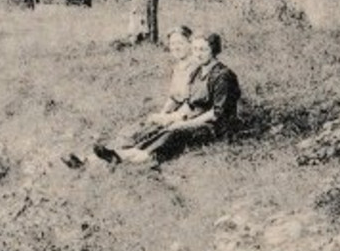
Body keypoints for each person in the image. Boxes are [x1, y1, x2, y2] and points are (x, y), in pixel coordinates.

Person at [100, 32, 241, 165]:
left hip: (214, 127)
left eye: (203, 49)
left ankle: (139, 157)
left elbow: (217, 113)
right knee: (162, 124)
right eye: (195, 49)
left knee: (175, 132)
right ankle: (125, 153)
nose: (198, 54)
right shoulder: (197, 72)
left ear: (214, 50)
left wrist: (186, 124)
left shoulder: (222, 76)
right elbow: (189, 103)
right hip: (194, 118)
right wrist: (173, 117)